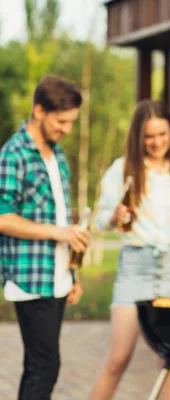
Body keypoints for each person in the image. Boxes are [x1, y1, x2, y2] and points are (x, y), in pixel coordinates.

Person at [89, 100, 170, 400]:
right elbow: (101, 219)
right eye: (149, 136)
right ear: (138, 136)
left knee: (168, 362)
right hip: (136, 266)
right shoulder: (122, 169)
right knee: (118, 358)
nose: (156, 143)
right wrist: (114, 217)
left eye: (162, 135)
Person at [0, 75, 88, 400]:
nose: (66, 129)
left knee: (39, 365)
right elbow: (2, 216)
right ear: (39, 111)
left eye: (70, 122)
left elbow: (61, 217)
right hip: (30, 277)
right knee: (45, 366)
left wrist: (73, 273)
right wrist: (58, 233)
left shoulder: (56, 154)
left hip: (58, 276)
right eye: (62, 121)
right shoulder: (14, 154)